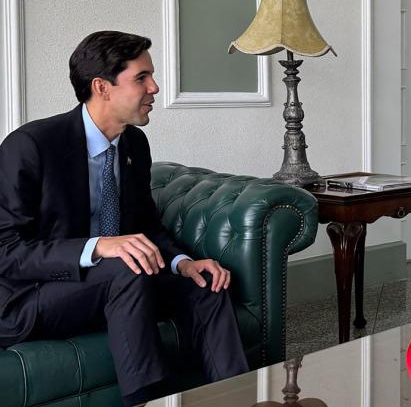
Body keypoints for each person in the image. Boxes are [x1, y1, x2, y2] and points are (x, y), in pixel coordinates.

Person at [0, 31, 249, 406]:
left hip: (120, 288)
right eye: (141, 78)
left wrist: (183, 263)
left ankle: (238, 399)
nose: (156, 87)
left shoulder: (133, 144)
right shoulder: (31, 146)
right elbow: (7, 252)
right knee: (124, 268)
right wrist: (98, 247)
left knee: (206, 285)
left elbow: (146, 227)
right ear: (102, 87)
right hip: (34, 297)